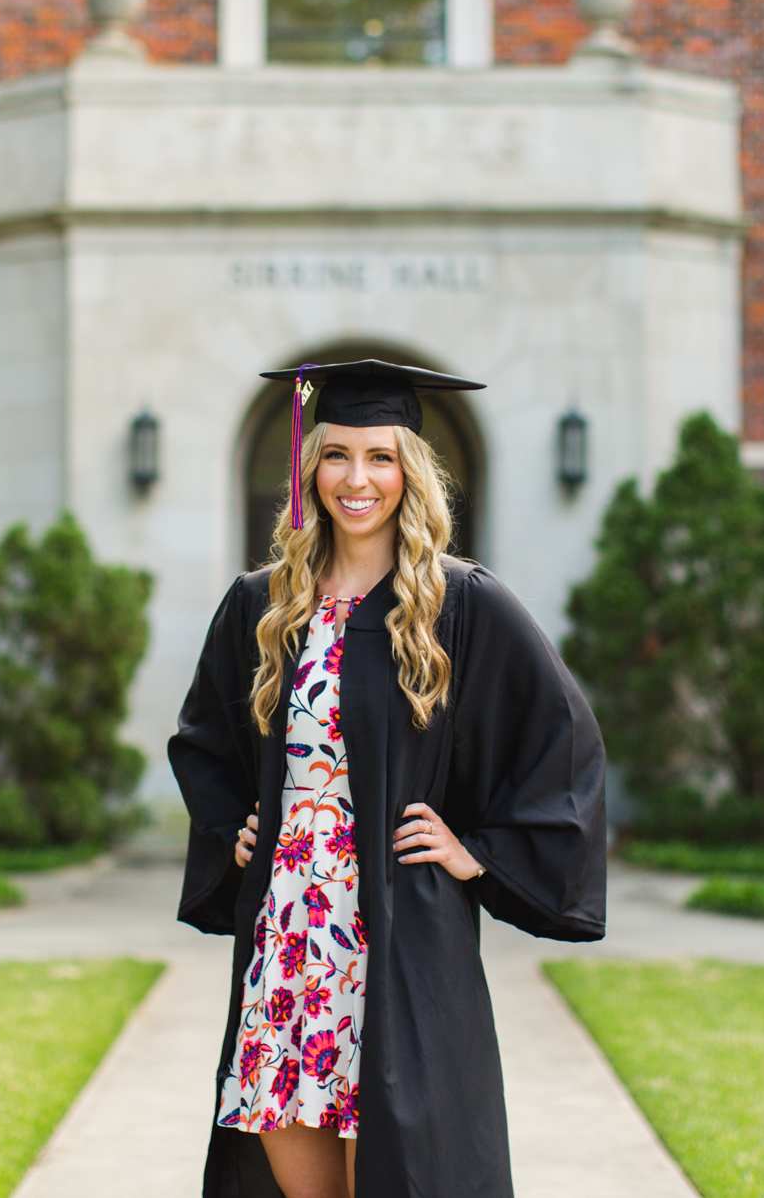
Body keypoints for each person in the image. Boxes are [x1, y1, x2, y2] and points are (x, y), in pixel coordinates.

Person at [170, 359, 609, 1198]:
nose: (357, 479)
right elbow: (203, 741)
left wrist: (477, 851)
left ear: (409, 469)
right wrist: (238, 827)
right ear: (312, 467)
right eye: (338, 455)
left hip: (399, 937)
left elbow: (565, 741)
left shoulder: (459, 602)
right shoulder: (265, 604)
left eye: (380, 456)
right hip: (291, 939)